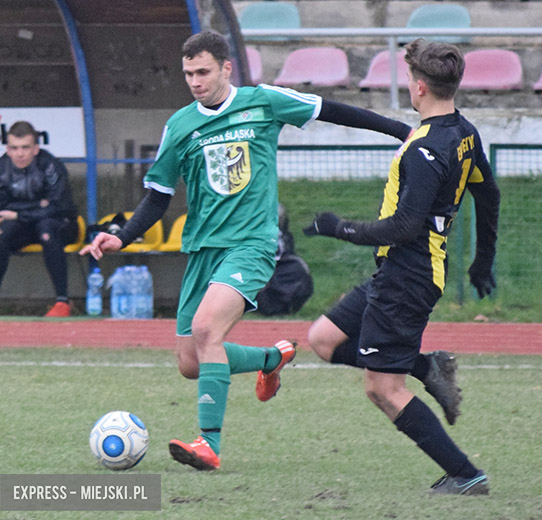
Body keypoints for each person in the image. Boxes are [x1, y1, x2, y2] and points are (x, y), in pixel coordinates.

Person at [80, 31, 413, 472]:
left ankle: (209, 444)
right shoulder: (179, 126)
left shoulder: (263, 102)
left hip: (251, 245)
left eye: (203, 72)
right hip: (203, 251)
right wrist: (122, 236)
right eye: (188, 74)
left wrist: (403, 132)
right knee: (190, 362)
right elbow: (158, 196)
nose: (195, 81)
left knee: (206, 330)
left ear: (226, 68)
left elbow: (330, 110)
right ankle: (271, 358)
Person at [302, 38, 501, 496]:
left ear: (419, 87)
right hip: (399, 272)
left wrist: (339, 227)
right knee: (324, 340)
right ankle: (426, 367)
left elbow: (405, 226)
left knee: (382, 389)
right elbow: (488, 194)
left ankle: (466, 474)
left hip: (409, 277)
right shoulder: (463, 132)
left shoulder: (424, 149)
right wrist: (483, 259)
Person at [0, 120, 79, 317]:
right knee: (1, 234)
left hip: (61, 225)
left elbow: (60, 207)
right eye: (14, 148)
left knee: (46, 229)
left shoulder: (51, 165)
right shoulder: (2, 167)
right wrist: (38, 205)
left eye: (25, 147)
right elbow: (3, 206)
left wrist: (19, 213)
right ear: (7, 149)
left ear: (35, 148)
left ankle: (62, 303)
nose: (19, 153)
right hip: (23, 226)